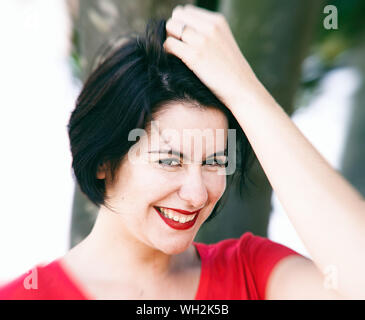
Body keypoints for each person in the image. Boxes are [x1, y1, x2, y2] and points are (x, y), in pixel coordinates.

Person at [1, 4, 364, 300]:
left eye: (215, 161)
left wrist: (245, 92)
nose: (196, 193)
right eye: (169, 160)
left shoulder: (254, 276)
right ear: (104, 162)